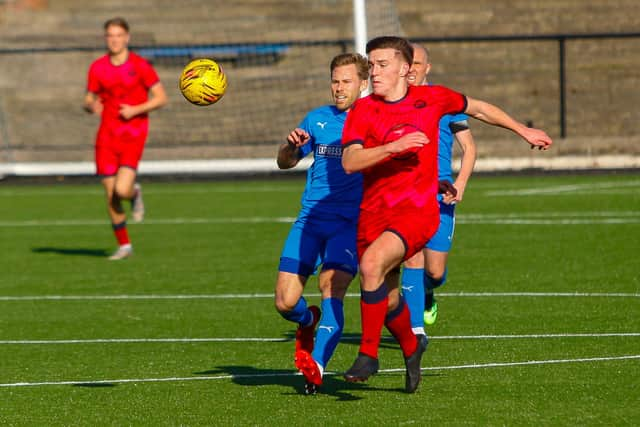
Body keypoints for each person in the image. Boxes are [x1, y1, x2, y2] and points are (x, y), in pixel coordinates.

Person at [341, 36, 552, 393]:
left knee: (372, 265)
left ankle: (368, 355)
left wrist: (522, 129)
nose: (373, 72)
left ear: (405, 70)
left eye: (382, 64)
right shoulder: (364, 110)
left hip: (418, 211)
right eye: (371, 65)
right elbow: (350, 162)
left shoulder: (433, 98)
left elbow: (480, 108)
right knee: (388, 297)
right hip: (374, 212)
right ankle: (412, 347)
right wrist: (393, 147)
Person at [274, 53, 369, 395]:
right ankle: (308, 321)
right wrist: (290, 146)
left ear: (363, 83)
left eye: (346, 81)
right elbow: (285, 163)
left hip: (349, 223)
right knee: (285, 302)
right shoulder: (317, 119)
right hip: (310, 221)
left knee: (332, 288)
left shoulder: (373, 120)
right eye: (335, 81)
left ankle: (316, 365)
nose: (339, 88)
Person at [402, 43, 477, 336]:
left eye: (417, 63)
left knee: (434, 272)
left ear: (427, 68)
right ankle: (414, 332)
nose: (412, 69)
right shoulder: (391, 102)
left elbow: (469, 148)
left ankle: (428, 293)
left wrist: (460, 184)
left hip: (440, 194)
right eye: (408, 63)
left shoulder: (443, 101)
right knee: (411, 257)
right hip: (406, 195)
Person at [84, 17, 168, 260]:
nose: (114, 39)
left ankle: (135, 193)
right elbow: (88, 98)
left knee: (122, 190)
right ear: (105, 38)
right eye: (110, 35)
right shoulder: (97, 67)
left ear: (127, 37)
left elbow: (161, 98)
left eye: (118, 35)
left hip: (133, 134)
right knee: (111, 194)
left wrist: (135, 109)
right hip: (107, 136)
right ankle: (125, 246)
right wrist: (90, 105)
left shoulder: (140, 65)